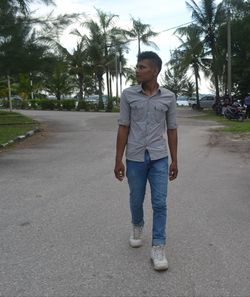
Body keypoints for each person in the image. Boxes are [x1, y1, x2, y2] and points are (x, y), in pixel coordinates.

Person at [114, 51, 178, 271]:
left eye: (142, 67)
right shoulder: (128, 95)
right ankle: (137, 225)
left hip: (159, 157)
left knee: (160, 203)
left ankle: (158, 247)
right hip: (135, 157)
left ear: (155, 70)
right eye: (137, 66)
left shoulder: (168, 97)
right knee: (136, 198)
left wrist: (174, 160)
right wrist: (118, 160)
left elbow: (172, 129)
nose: (137, 70)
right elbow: (123, 127)